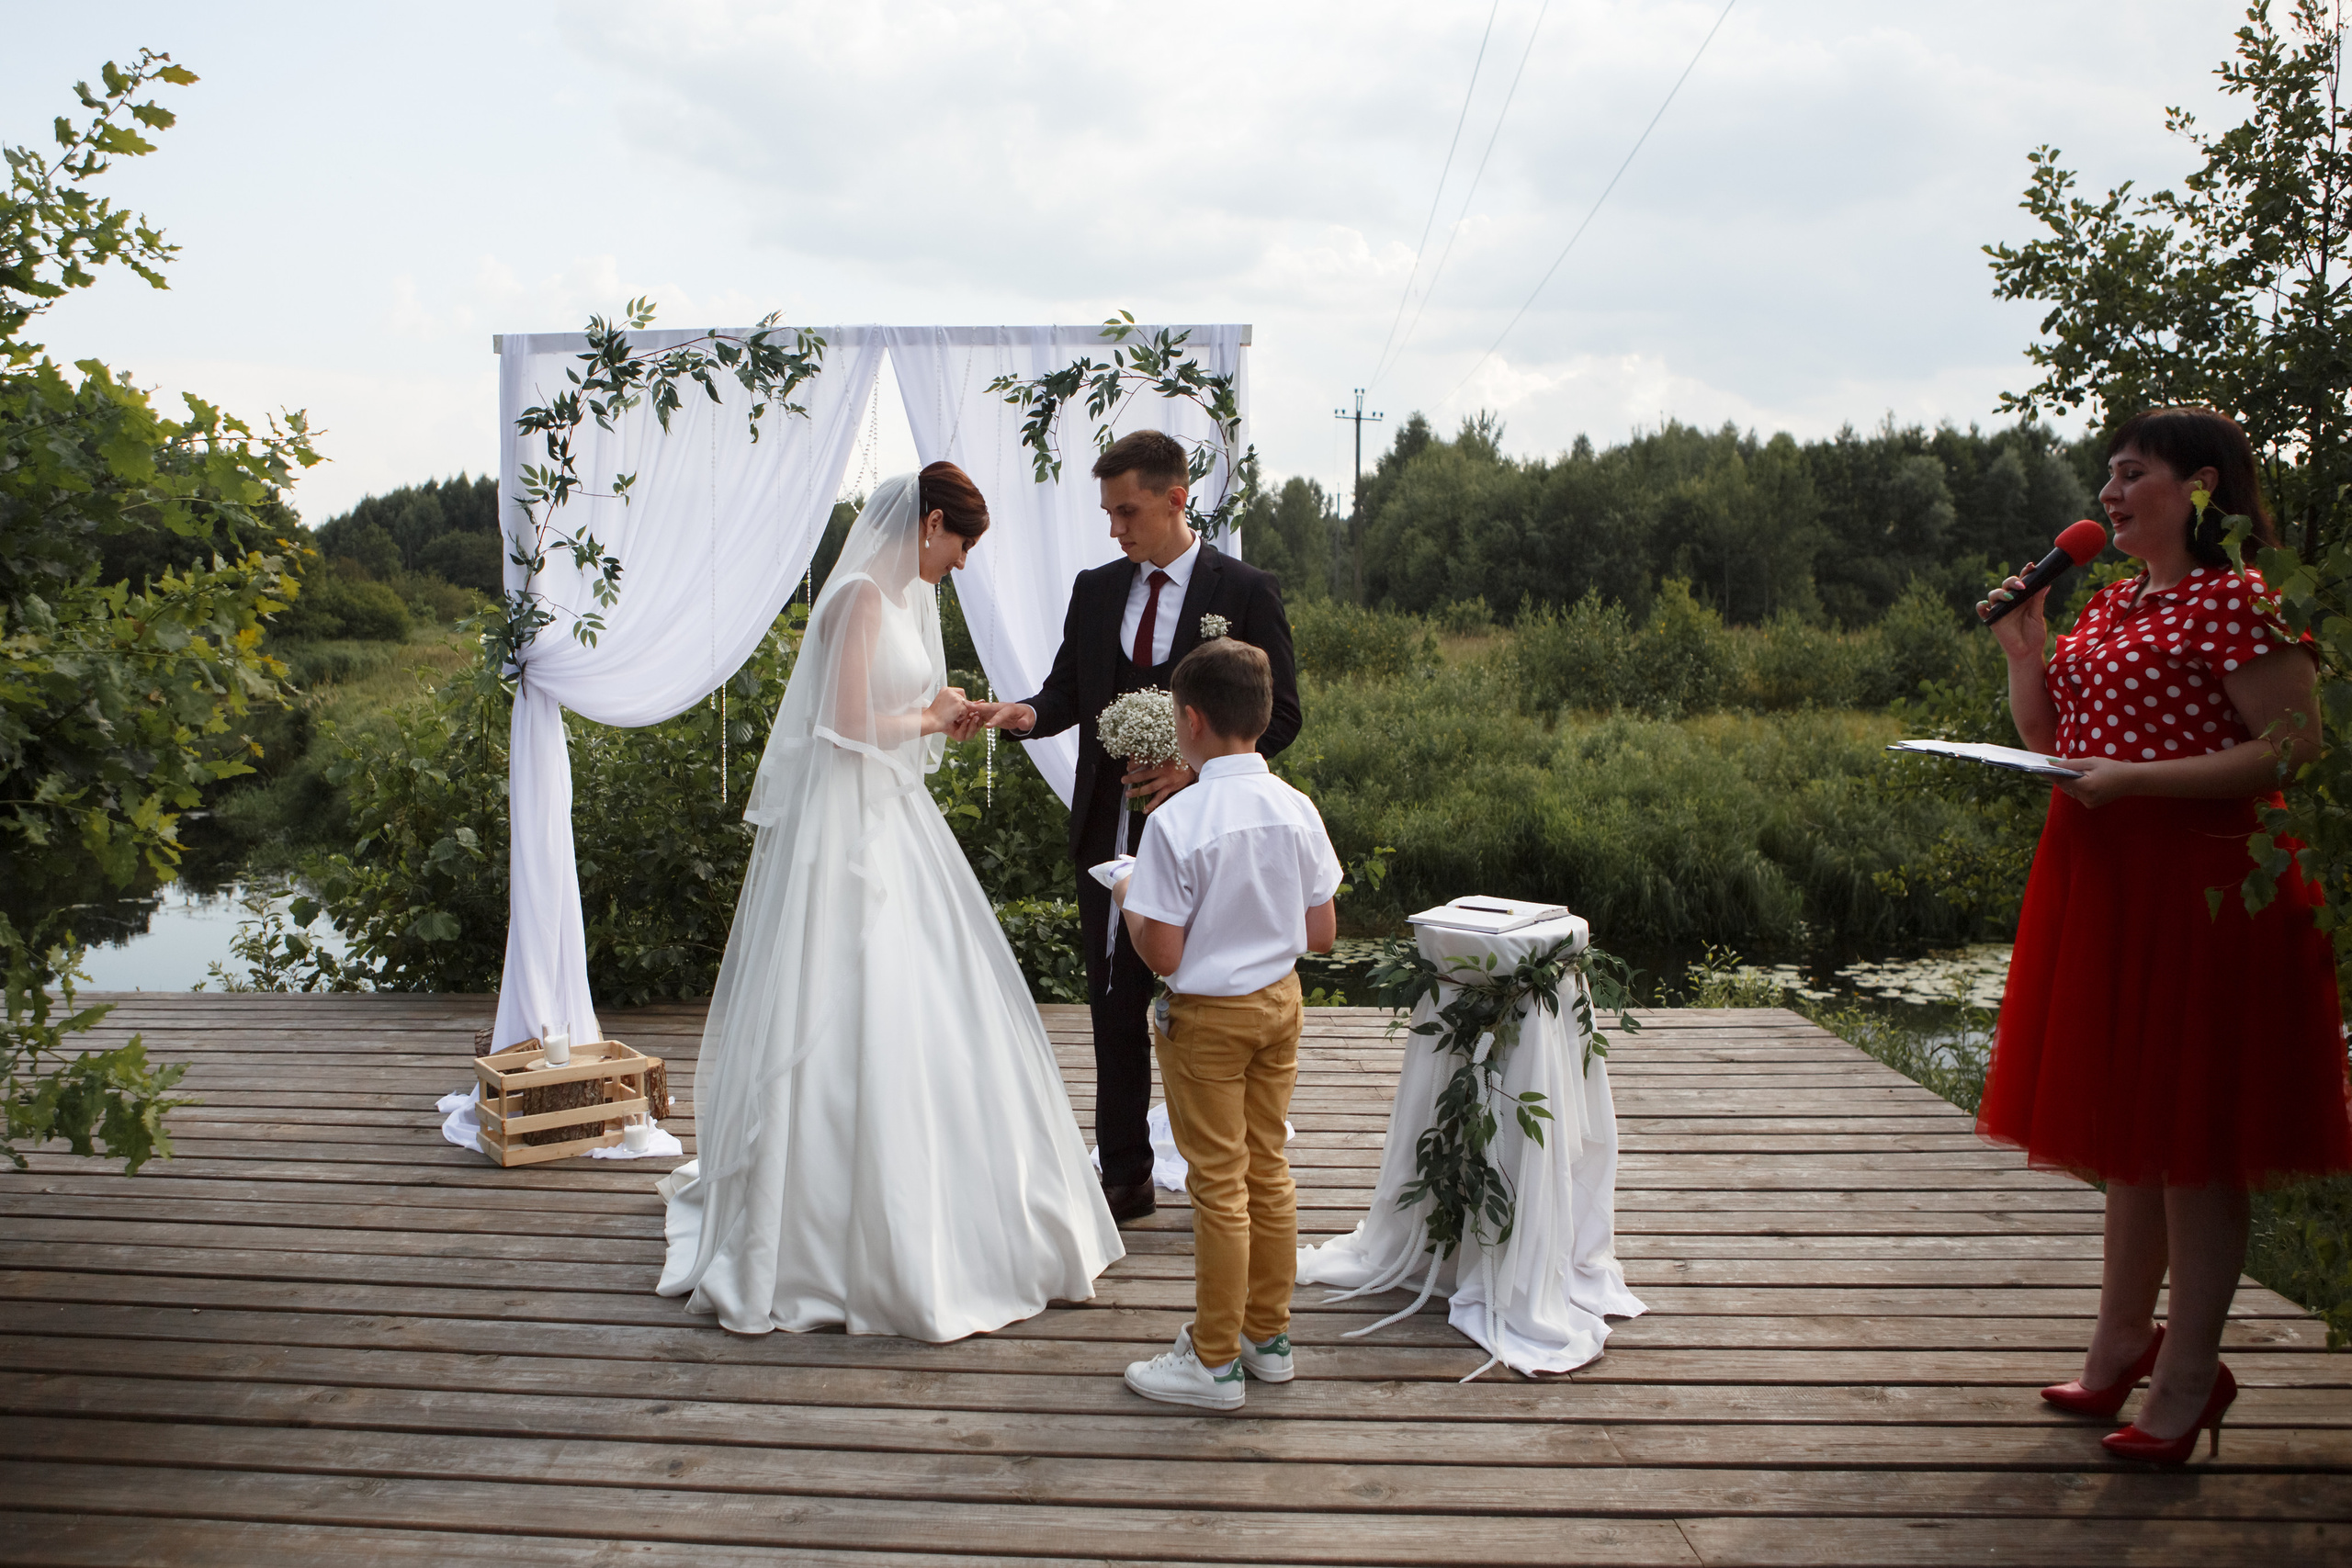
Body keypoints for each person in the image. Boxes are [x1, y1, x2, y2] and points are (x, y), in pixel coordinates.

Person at [655, 465, 1123, 1341]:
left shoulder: (900, 598)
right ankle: (820, 1230)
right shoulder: (863, 598)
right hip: (852, 831)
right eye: (960, 546)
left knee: (931, 996)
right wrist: (930, 719)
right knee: (851, 995)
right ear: (932, 522)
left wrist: (936, 709)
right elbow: (843, 724)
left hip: (889, 818)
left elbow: (881, 708)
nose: (960, 564)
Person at [1976, 406, 2352, 1463]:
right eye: (2106, 474)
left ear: (2197, 488)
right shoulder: (2103, 611)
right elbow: (2057, 740)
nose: (2105, 494)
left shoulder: (2238, 600)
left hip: (2206, 886)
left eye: (2129, 473)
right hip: (2103, 879)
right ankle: (2115, 1350)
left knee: (2192, 1142)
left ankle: (2191, 1376)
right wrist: (2025, 652)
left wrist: (2138, 784)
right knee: (2128, 1135)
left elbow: (2291, 747)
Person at [966, 429, 1301, 1224]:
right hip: (1111, 831)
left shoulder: (1246, 589)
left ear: (1176, 498)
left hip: (1210, 836)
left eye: (1128, 511)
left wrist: (1194, 771)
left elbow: (1281, 714)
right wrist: (1017, 714)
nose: (1116, 529)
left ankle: (1232, 1173)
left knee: (1208, 1001)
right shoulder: (1097, 588)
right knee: (1113, 1002)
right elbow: (1064, 694)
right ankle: (1124, 1175)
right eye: (1109, 514)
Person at [1109, 637, 1340, 1408]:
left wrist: (1130, 901)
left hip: (1206, 1018)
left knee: (1217, 1185)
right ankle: (1265, 1337)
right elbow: (1321, 933)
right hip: (1280, 1003)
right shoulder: (1296, 806)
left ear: (1192, 721)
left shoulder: (1178, 821)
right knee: (1267, 1167)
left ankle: (1213, 1361)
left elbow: (1166, 953)